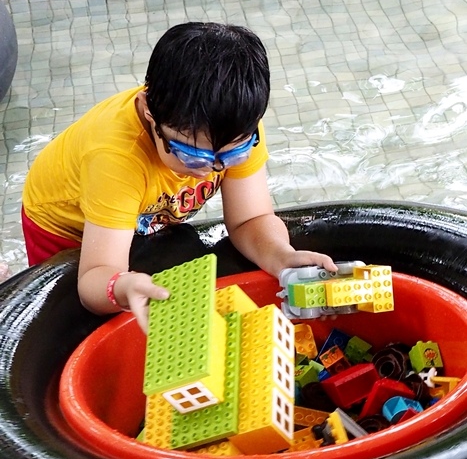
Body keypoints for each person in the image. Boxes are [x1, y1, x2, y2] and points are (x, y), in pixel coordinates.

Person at [22, 22, 336, 333]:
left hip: (144, 213)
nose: (211, 169)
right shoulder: (116, 159)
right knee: (72, 321)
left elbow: (249, 220)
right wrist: (121, 285)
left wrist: (281, 257)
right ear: (148, 112)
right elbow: (93, 279)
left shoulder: (235, 127)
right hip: (68, 226)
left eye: (232, 156)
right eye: (192, 156)